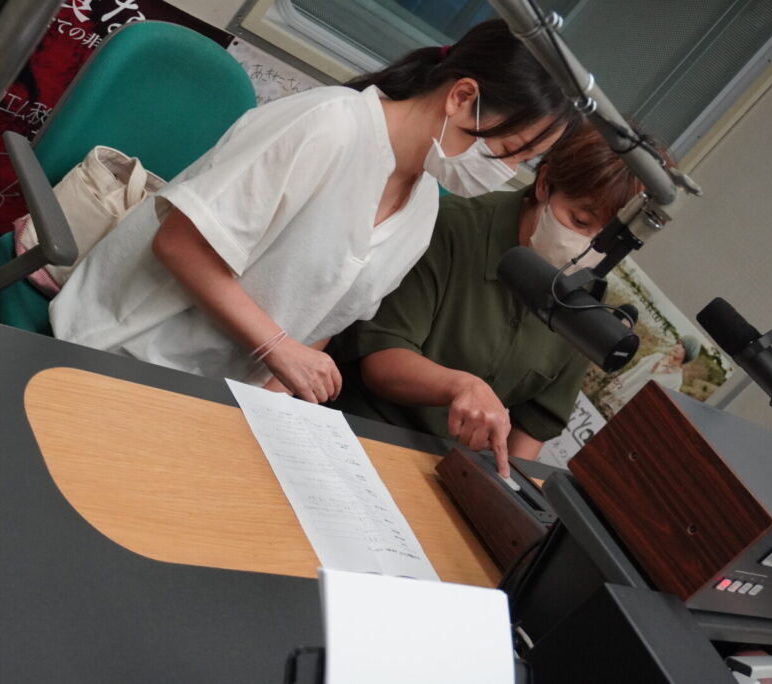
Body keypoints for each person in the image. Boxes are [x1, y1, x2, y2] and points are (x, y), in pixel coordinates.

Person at [49, 20, 579, 404]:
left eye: (526, 161)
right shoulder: (327, 126)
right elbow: (179, 244)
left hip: (209, 398)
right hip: (118, 352)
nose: (507, 172)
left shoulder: (421, 207)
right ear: (461, 97)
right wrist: (279, 349)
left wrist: (271, 401)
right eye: (510, 150)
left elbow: (324, 318)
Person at [328, 122, 672, 476]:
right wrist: (462, 386)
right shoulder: (454, 228)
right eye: (580, 220)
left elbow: (535, 422)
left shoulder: (587, 296)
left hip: (455, 471)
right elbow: (381, 360)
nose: (588, 247)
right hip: (361, 437)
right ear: (544, 183)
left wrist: (507, 486)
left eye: (608, 239)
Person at [607, 336, 701, 411]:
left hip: (629, 409)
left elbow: (660, 403)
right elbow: (634, 371)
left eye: (683, 346)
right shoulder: (657, 356)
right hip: (614, 395)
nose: (677, 346)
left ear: (688, 354)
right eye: (678, 343)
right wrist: (612, 386)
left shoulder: (676, 380)